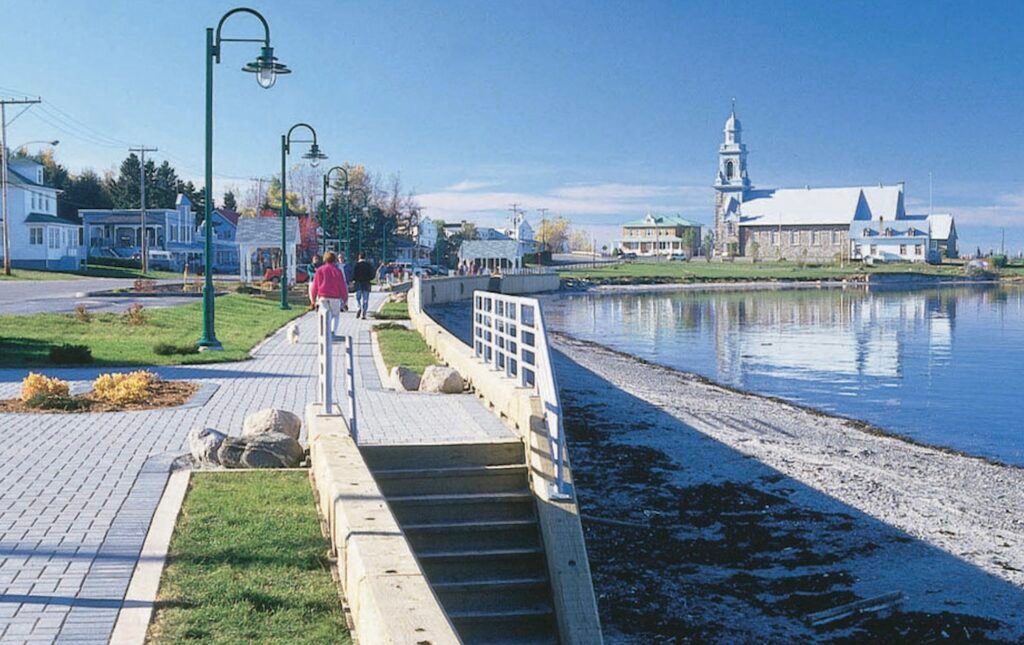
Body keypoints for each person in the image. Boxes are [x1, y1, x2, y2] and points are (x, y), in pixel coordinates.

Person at [309, 251, 348, 336]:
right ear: (334, 260)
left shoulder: (319, 270)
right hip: (335, 297)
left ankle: (324, 332)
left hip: (323, 296)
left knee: (324, 315)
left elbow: (314, 287)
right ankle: (333, 332)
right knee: (335, 315)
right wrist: (344, 299)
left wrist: (313, 300)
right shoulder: (337, 271)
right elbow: (342, 286)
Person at [352, 251, 375, 319]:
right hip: (366, 283)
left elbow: (353, 274)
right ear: (365, 257)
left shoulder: (356, 265)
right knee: (365, 299)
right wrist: (369, 278)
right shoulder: (368, 265)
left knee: (357, 298)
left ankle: (358, 308)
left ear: (359, 257)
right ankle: (364, 314)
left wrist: (354, 279)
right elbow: (372, 275)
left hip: (358, 283)